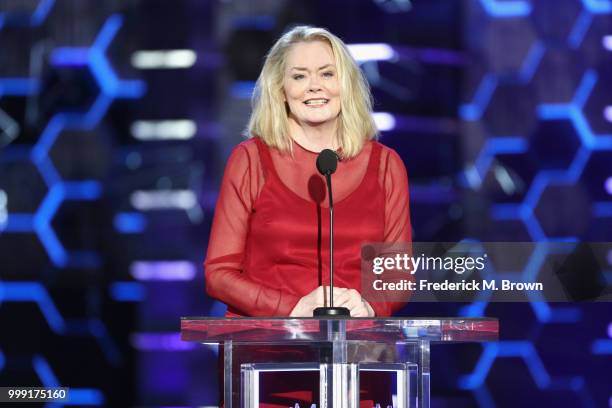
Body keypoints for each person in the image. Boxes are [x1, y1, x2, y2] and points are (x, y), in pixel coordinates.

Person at [205, 25, 412, 406]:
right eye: (299, 76)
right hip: (266, 366)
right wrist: (291, 309)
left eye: (327, 74)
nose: (314, 87)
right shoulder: (250, 161)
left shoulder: (386, 166)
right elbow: (219, 274)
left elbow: (396, 277)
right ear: (280, 91)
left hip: (358, 366)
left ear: (346, 84)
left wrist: (368, 307)